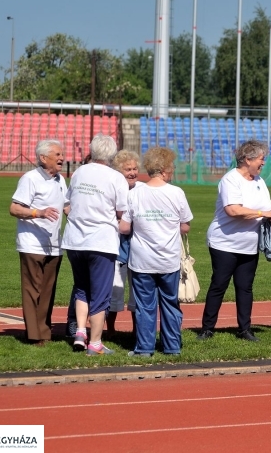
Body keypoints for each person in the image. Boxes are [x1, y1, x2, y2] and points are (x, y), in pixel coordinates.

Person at [198, 140, 271, 342]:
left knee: (245, 287)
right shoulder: (231, 180)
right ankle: (207, 328)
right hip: (224, 242)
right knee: (219, 284)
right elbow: (233, 210)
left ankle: (245, 329)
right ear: (248, 159)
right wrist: (264, 213)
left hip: (249, 244)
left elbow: (263, 209)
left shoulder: (259, 181)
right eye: (261, 158)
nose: (264, 162)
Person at [119, 147, 193, 356]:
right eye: (172, 167)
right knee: (170, 303)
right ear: (164, 169)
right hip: (168, 259)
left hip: (142, 259)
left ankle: (144, 347)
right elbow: (185, 225)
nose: (173, 171)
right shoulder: (176, 192)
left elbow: (124, 227)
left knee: (145, 305)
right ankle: (172, 346)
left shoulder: (135, 193)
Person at [62, 134, 129, 355]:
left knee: (81, 288)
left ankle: (80, 332)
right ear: (111, 154)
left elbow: (70, 201)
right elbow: (121, 210)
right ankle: (96, 342)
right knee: (100, 294)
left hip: (75, 239)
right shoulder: (116, 177)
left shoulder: (80, 172)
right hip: (101, 241)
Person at [9, 139, 69, 345]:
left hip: (54, 244)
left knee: (47, 291)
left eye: (62, 154)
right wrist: (38, 212)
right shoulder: (30, 179)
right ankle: (33, 335)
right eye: (58, 154)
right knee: (32, 289)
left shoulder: (60, 180)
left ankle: (44, 332)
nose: (62, 158)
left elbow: (67, 207)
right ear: (43, 158)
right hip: (32, 243)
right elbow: (15, 209)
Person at [107, 150, 141, 334]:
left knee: (137, 294)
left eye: (135, 168)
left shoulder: (143, 189)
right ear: (118, 172)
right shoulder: (111, 189)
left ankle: (137, 332)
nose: (132, 172)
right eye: (128, 169)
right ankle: (110, 331)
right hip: (116, 247)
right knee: (114, 292)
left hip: (139, 249)